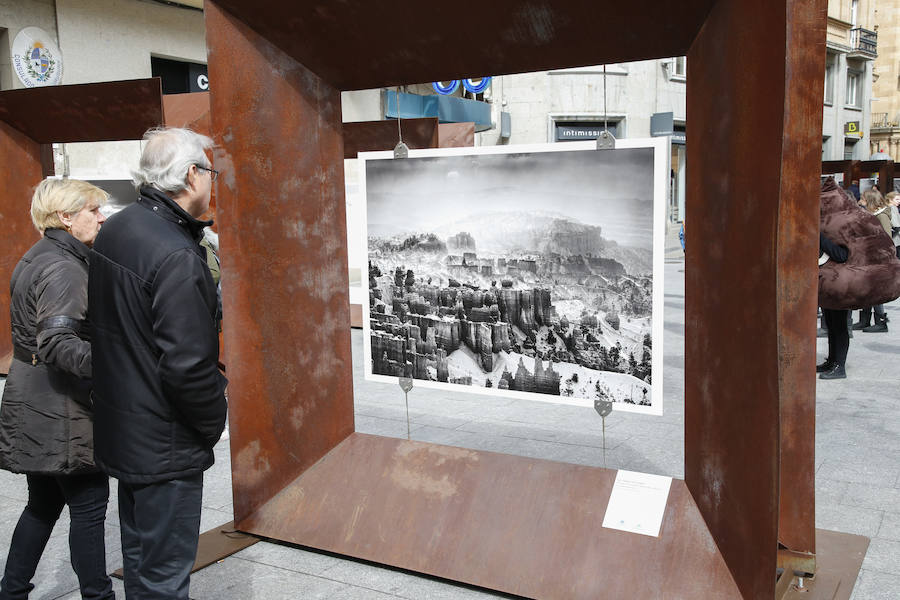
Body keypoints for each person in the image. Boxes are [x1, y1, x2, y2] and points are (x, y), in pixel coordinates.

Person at [88, 127, 227, 599]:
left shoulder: (121, 227)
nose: (212, 180)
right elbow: (188, 366)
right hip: (164, 442)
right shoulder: (174, 253)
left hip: (127, 429)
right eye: (209, 170)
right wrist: (212, 422)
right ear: (192, 175)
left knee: (142, 566)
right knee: (165, 577)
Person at [0, 179, 113, 599]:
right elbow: (58, 343)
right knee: (88, 506)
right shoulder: (63, 267)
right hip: (61, 411)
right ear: (66, 217)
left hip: (38, 402)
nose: (101, 217)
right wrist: (116, 367)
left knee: (43, 504)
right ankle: (98, 595)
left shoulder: (41, 255)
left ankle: (11, 592)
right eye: (92, 210)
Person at [851, 188, 892, 332]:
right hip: (869, 257)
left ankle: (880, 321)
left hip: (878, 259)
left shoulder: (881, 216)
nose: (860, 200)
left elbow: (886, 239)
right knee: (867, 289)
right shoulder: (871, 214)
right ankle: (865, 319)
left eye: (862, 198)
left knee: (875, 290)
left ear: (869, 200)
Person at [818, 232, 851, 379]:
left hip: (840, 283)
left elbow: (842, 255)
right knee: (831, 324)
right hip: (829, 282)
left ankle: (839, 366)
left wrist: (820, 238)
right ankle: (832, 361)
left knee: (839, 325)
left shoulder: (843, 230)